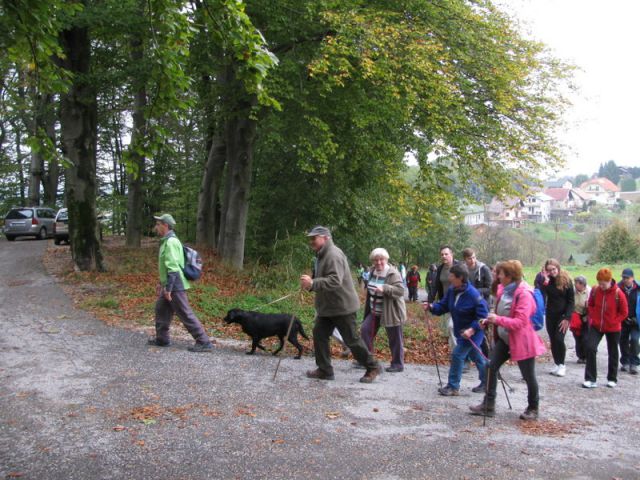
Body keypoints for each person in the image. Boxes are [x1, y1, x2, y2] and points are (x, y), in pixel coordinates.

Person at [300, 226, 381, 383]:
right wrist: (311, 282)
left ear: (325, 238)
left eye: (314, 238)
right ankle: (325, 370)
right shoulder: (321, 255)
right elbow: (322, 277)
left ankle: (373, 366)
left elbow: (335, 280)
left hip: (342, 306)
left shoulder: (333, 254)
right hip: (328, 307)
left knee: (352, 340)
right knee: (319, 334)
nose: (311, 241)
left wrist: (313, 283)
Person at [469, 260, 547, 421]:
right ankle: (488, 405)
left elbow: (520, 322)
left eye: (500, 273)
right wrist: (490, 319)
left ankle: (533, 408)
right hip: (505, 338)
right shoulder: (503, 290)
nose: (497, 276)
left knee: (528, 375)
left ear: (510, 276)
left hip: (522, 340)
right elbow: (500, 311)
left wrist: (497, 319)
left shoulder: (524, 294)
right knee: (491, 366)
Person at [147, 214, 214, 352]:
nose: (156, 227)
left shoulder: (171, 242)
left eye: (158, 224)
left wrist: (168, 289)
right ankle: (162, 339)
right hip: (169, 284)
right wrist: (161, 283)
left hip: (175, 285)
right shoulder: (167, 241)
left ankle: (203, 341)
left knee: (184, 313)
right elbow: (166, 267)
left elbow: (173, 268)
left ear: (165, 225)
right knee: (161, 309)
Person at [423, 264, 488, 396]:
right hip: (461, 331)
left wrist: (472, 329)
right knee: (476, 356)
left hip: (472, 333)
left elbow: (483, 317)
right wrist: (431, 307)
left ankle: (453, 387)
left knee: (457, 354)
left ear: (460, 278)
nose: (449, 278)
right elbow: (443, 306)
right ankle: (488, 382)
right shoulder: (453, 290)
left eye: (452, 276)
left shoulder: (473, 294)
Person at [361, 248, 407, 373]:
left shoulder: (392, 273)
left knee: (395, 338)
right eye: (376, 260)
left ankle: (398, 364)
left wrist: (385, 288)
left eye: (381, 259)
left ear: (386, 260)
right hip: (374, 310)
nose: (378, 262)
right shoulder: (372, 272)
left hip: (391, 311)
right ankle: (368, 360)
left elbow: (400, 291)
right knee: (365, 330)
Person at [583, 268, 628, 388]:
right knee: (590, 348)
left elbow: (624, 312)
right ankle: (590, 378)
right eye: (599, 283)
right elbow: (590, 304)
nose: (601, 286)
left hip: (613, 328)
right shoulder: (595, 290)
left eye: (603, 284)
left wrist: (614, 321)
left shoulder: (619, 293)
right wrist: (593, 315)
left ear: (610, 281)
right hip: (597, 325)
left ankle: (612, 378)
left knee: (613, 351)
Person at [540, 258, 575, 377]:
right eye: (549, 270)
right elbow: (542, 293)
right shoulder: (547, 281)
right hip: (550, 314)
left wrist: (567, 317)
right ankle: (556, 363)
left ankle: (562, 365)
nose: (552, 272)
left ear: (558, 268)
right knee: (553, 340)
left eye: (553, 269)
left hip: (563, 315)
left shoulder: (567, 280)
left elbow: (571, 301)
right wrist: (545, 280)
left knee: (559, 339)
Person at [428, 246, 462, 350]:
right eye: (442, 254)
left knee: (453, 326)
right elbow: (435, 286)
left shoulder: (459, 266)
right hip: (447, 302)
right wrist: (430, 301)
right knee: (450, 328)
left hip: (460, 302)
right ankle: (455, 353)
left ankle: (459, 354)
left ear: (452, 254)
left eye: (446, 254)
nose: (444, 256)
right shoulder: (440, 268)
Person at [617, 268, 639, 375]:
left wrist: (636, 318)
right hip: (623, 319)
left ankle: (634, 363)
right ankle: (625, 361)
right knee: (623, 340)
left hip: (636, 321)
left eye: (627, 278)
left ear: (632, 278)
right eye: (623, 277)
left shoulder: (638, 289)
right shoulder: (617, 288)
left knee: (634, 340)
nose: (625, 280)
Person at [569, 276, 591, 364]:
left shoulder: (589, 291)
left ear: (583, 285)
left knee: (585, 337)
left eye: (577, 283)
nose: (575, 285)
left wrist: (588, 307)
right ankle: (580, 356)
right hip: (575, 316)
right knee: (577, 337)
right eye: (575, 283)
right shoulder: (573, 291)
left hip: (586, 316)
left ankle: (586, 356)